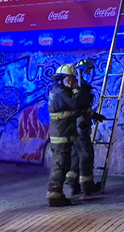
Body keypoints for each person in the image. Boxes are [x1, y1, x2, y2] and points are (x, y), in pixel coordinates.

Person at [65, 59, 106, 196]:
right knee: (86, 155)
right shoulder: (80, 89)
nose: (89, 73)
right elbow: (79, 108)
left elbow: (82, 108)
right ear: (81, 71)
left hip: (73, 127)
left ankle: (73, 184)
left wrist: (95, 115)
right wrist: (87, 118)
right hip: (80, 127)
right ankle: (87, 186)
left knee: (76, 155)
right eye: (88, 70)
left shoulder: (73, 88)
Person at [46, 63, 84, 207]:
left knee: (63, 164)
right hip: (61, 134)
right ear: (61, 78)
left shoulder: (58, 90)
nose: (71, 81)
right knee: (60, 164)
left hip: (63, 133)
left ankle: (57, 193)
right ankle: (54, 196)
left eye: (72, 78)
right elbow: (76, 104)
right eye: (69, 78)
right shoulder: (61, 92)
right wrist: (76, 90)